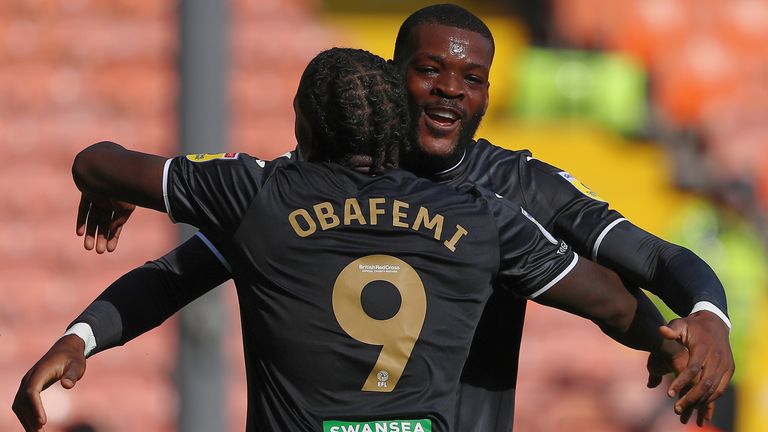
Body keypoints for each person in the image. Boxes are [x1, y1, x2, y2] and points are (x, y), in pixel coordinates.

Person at [18, 3, 733, 431]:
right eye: (430, 71)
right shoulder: (319, 186)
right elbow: (180, 273)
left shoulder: (519, 188)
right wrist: (86, 334)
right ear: (394, 77)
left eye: (472, 79)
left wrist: (706, 315)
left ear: (488, 94)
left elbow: (648, 259)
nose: (450, 91)